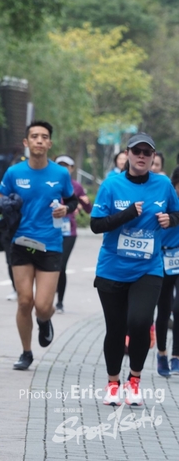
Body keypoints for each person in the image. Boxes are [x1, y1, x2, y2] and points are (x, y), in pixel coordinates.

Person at [91, 133, 179, 406]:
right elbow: (96, 225)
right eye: (137, 151)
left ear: (153, 157)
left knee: (140, 322)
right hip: (112, 269)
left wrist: (170, 219)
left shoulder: (163, 185)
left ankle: (135, 380)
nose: (141, 156)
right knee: (116, 328)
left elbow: (177, 213)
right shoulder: (111, 185)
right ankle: (113, 384)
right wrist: (127, 214)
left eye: (147, 152)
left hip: (148, 269)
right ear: (128, 154)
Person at [0, 121, 77, 371]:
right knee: (24, 301)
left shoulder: (60, 174)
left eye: (44, 137)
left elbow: (72, 201)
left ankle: (44, 321)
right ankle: (26, 352)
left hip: (50, 244)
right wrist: (5, 208)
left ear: (49, 143)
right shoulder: (14, 173)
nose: (39, 140)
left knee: (42, 306)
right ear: (26, 142)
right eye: (34, 136)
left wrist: (66, 208)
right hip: (20, 242)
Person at [53, 155, 92, 313]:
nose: (63, 169)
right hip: (50, 230)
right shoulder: (50, 183)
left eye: (66, 166)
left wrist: (85, 202)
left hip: (69, 231)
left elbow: (88, 209)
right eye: (60, 165)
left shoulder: (76, 186)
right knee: (51, 265)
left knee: (61, 265)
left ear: (72, 169)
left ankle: (60, 302)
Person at [155, 166, 179, 377]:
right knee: (163, 309)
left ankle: (177, 356)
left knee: (178, 308)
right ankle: (162, 353)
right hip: (162, 258)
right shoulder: (164, 200)